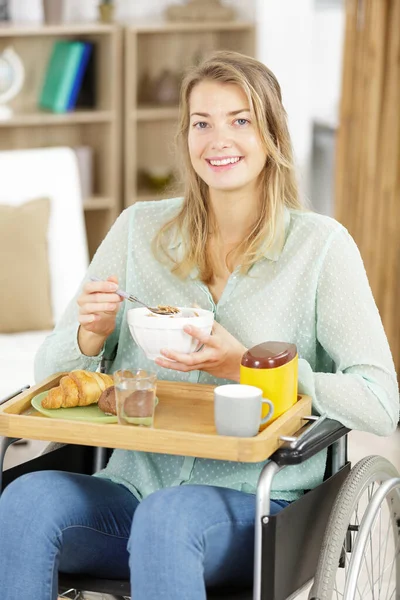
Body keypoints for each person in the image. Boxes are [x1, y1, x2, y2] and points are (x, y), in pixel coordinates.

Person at [0, 50, 398, 600]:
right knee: (25, 501)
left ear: (272, 135)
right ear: (185, 136)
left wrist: (250, 366)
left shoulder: (321, 249)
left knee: (172, 516)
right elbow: (51, 372)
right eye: (201, 123)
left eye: (240, 121)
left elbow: (380, 402)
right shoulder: (138, 231)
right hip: (133, 488)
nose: (219, 140)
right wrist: (89, 336)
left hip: (257, 506)